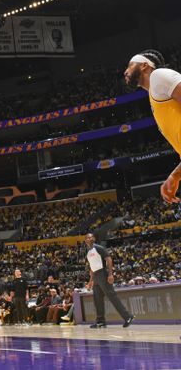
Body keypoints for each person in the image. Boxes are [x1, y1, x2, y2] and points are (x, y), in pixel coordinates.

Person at [123, 50, 181, 205]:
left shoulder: (158, 76)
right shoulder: (155, 94)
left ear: (144, 65)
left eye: (130, 65)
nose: (125, 71)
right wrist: (175, 176)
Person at [84, 233, 134, 328]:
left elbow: (109, 260)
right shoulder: (88, 252)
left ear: (94, 238)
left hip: (103, 273)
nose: (90, 238)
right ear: (85, 240)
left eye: (91, 237)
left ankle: (128, 317)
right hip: (96, 276)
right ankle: (100, 321)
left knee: (112, 296)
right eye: (88, 237)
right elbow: (91, 267)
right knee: (97, 299)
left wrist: (110, 274)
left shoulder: (99, 248)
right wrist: (90, 281)